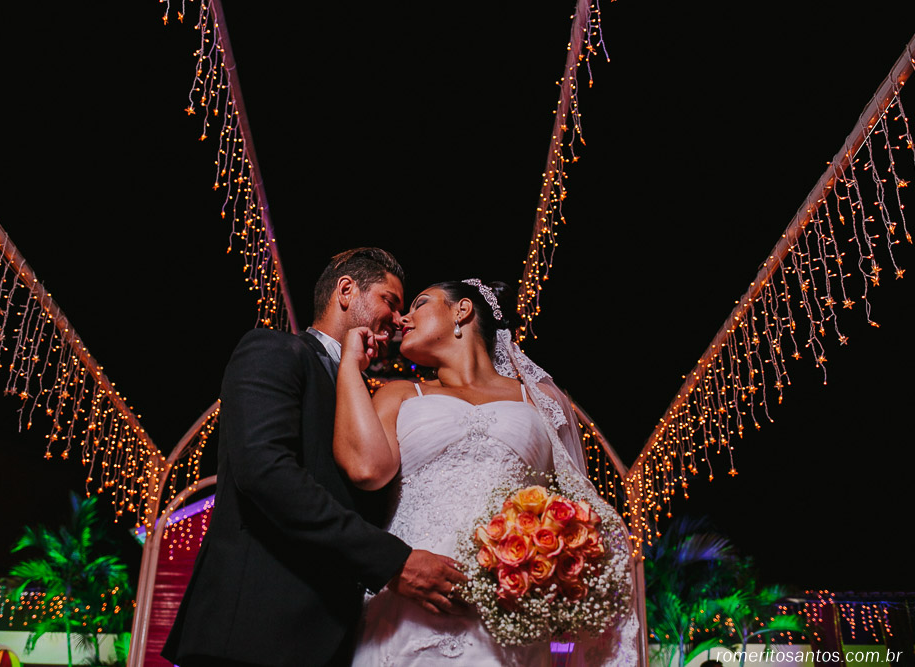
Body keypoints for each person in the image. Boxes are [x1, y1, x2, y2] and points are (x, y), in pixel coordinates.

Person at [162, 248, 466, 667]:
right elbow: (266, 472)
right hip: (254, 635)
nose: (398, 320)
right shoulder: (274, 350)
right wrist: (393, 562)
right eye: (389, 301)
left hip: (337, 641)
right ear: (346, 291)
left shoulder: (370, 399)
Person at [334, 279, 640, 666]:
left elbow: (573, 503)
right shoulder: (400, 394)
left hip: (511, 605)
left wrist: (554, 554)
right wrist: (349, 364)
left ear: (461, 311)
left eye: (420, 303)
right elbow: (366, 470)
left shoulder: (540, 399)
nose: (403, 319)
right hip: (412, 598)